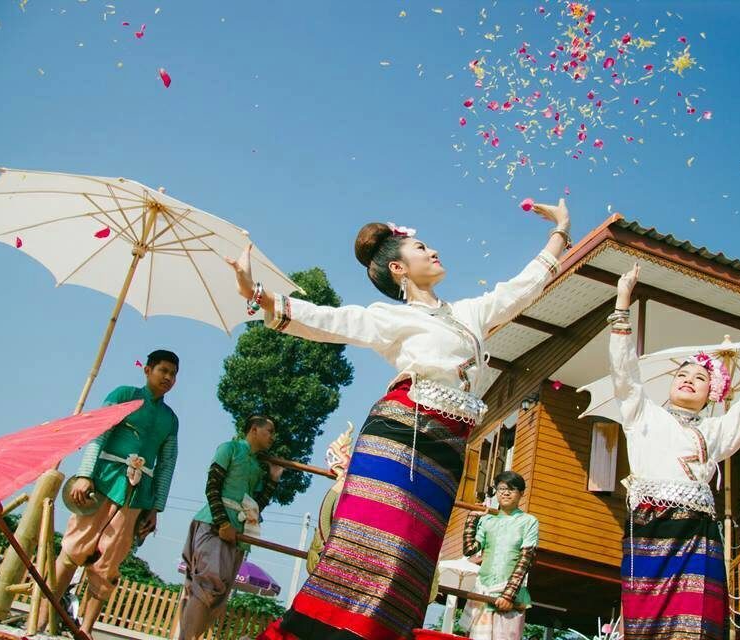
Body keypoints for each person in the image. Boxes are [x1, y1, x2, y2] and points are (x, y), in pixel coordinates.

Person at [228, 200, 572, 640]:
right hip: (398, 437)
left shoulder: (470, 313)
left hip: (447, 452)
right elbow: (332, 321)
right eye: (421, 247)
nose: (433, 251)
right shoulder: (392, 316)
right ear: (398, 268)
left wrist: (560, 232)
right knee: (371, 551)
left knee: (408, 564)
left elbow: (520, 289)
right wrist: (257, 294)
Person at [609, 264, 740, 640]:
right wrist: (623, 302)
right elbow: (625, 373)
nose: (689, 380)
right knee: (645, 627)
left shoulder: (716, 431)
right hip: (650, 528)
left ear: (713, 393)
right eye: (682, 375)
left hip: (698, 533)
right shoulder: (642, 413)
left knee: (697, 625)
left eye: (700, 378)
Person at [40, 350, 180, 635]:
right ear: (148, 370)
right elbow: (99, 433)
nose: (168, 377)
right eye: (163, 370)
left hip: (137, 495)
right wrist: (84, 475)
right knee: (73, 548)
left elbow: (167, 464)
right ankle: (42, 619)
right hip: (102, 482)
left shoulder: (171, 419)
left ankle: (86, 630)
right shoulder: (124, 394)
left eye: (173, 374)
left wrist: (156, 508)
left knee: (109, 562)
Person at [178, 415, 284, 640]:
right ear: (254, 429)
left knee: (218, 599)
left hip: (239, 535)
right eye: (270, 431)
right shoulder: (229, 448)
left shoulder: (258, 466)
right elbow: (212, 487)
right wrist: (223, 523)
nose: (273, 437)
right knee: (208, 586)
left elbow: (255, 507)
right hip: (213, 525)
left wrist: (273, 480)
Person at [461, 471, 539, 640]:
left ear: (521, 493)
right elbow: (469, 550)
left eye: (511, 489)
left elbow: (525, 560)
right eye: (501, 488)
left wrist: (508, 596)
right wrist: (472, 519)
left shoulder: (529, 521)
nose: (505, 493)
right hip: (482, 590)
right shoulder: (487, 520)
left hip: (510, 597)